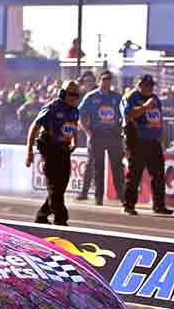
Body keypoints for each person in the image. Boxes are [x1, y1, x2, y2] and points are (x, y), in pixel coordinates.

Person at [25, 80, 82, 226]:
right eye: (71, 94)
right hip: (50, 149)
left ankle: (42, 215)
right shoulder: (52, 108)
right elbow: (34, 127)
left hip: (64, 150)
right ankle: (61, 219)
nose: (75, 98)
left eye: (77, 95)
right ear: (63, 94)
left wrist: (75, 141)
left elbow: (73, 126)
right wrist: (29, 151)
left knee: (61, 186)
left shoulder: (75, 110)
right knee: (54, 187)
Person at [121, 74, 173, 216]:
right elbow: (128, 115)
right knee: (135, 174)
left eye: (151, 85)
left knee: (158, 174)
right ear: (140, 84)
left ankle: (159, 205)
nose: (149, 88)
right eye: (146, 85)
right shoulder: (130, 97)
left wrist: (162, 137)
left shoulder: (155, 99)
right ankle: (129, 205)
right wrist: (145, 107)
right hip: (137, 140)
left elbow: (159, 119)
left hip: (153, 141)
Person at [76, 70, 125, 205]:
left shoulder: (117, 97)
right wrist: (87, 131)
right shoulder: (91, 97)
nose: (106, 83)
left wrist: (122, 128)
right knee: (97, 166)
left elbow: (125, 114)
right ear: (99, 81)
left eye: (109, 80)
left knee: (117, 166)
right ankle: (98, 197)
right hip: (97, 135)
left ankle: (122, 196)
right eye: (104, 80)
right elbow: (79, 114)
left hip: (113, 135)